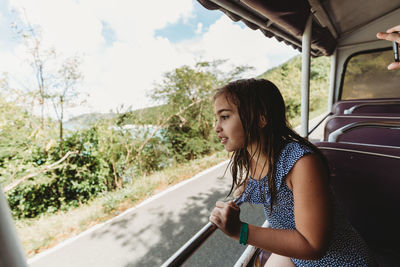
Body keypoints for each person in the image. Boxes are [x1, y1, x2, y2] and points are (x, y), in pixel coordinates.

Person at [209, 79, 376, 266]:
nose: (217, 128)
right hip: (297, 256)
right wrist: (245, 189)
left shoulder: (302, 163)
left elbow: (313, 246)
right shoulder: (253, 158)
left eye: (225, 117)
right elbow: (269, 186)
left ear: (260, 118)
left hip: (339, 261)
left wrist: (240, 231)